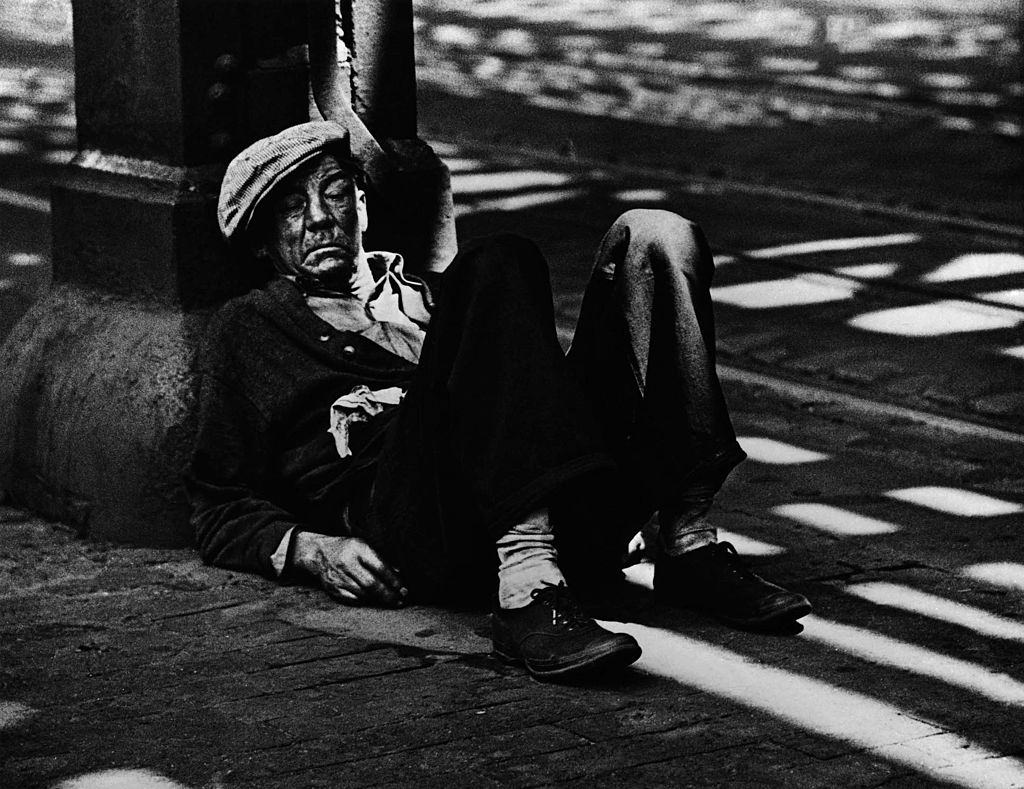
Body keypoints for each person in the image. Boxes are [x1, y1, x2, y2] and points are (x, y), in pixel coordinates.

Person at [185, 121, 811, 681]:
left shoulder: (430, 296)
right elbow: (218, 503)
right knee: (498, 259)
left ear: (364, 202)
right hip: (424, 524)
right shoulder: (253, 328)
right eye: (291, 209)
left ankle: (689, 543)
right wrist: (313, 550)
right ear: (264, 243)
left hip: (555, 498)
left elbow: (533, 399)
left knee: (654, 237)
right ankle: (528, 590)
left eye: (335, 192)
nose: (320, 217)